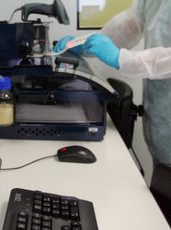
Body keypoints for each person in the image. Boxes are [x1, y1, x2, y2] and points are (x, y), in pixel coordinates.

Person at [54, 0, 171, 169]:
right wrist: (82, 44)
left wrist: (121, 59)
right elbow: (124, 29)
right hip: (159, 123)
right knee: (161, 186)